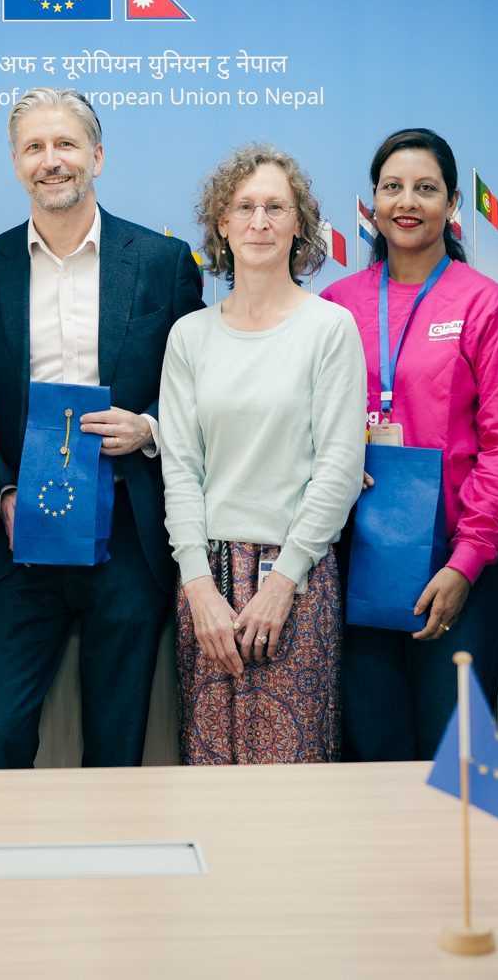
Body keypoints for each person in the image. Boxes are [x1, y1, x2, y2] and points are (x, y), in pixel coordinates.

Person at [0, 87, 204, 768]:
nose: (51, 160)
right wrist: (2, 489)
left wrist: (149, 426)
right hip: (16, 538)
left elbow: (200, 385)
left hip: (127, 531)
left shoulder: (163, 262)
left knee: (117, 741)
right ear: (16, 163)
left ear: (98, 155)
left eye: (65, 143)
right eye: (34, 147)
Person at [319, 128, 498, 761]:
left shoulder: (486, 304)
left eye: (426, 188)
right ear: (373, 203)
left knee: (455, 761)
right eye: (392, 187)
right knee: (370, 755)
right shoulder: (335, 305)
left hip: (453, 566)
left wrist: (465, 563)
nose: (407, 202)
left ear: (453, 202)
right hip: (354, 562)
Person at [161, 143, 365, 764]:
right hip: (208, 582)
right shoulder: (190, 336)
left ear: (300, 223)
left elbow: (339, 469)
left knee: (293, 784)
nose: (259, 221)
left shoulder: (329, 328)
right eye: (244, 207)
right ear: (221, 223)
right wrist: (198, 586)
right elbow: (180, 469)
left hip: (296, 579)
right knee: (210, 775)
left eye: (276, 207)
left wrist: (283, 582)